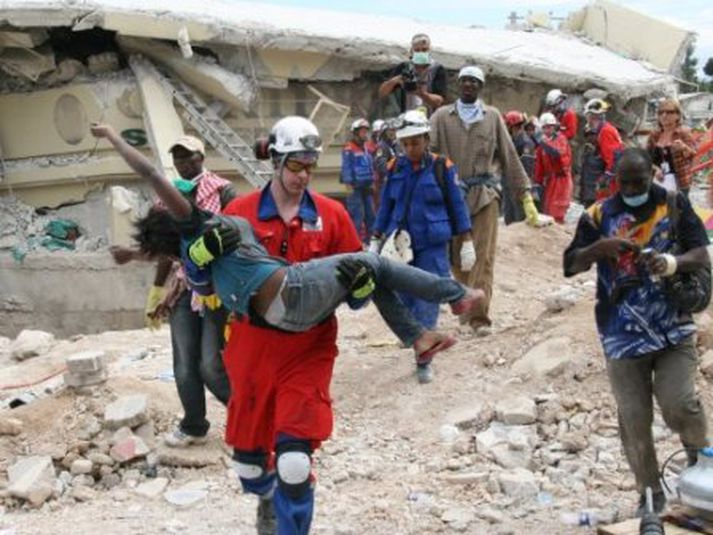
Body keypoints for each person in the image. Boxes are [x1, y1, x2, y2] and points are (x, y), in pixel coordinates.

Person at [563, 148, 710, 517]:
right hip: (621, 336)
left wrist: (671, 262)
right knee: (634, 418)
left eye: (639, 182)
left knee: (680, 403)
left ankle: (701, 468)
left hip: (672, 329)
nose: (631, 189)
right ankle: (649, 495)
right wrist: (600, 248)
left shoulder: (673, 204)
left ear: (653, 176)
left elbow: (702, 254)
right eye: (624, 183)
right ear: (614, 180)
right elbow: (570, 264)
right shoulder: (598, 215)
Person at [109, 133, 233, 448]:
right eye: (177, 157)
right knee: (183, 363)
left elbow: (234, 237)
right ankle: (194, 425)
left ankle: (249, 418)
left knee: (211, 364)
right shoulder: (166, 199)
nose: (183, 163)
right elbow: (166, 250)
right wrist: (156, 290)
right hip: (182, 287)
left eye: (189, 156)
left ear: (201, 158)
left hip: (216, 288)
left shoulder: (222, 191)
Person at [430, 65, 544, 335]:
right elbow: (429, 152)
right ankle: (465, 304)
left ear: (481, 87)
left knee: (484, 257)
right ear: (459, 85)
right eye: (465, 80)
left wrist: (525, 193)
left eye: (474, 81)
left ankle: (479, 318)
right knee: (458, 259)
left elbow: (509, 156)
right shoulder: (441, 117)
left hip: (485, 195)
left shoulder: (492, 117)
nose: (469, 85)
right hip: (451, 195)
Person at [371, 110, 473, 384]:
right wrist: (375, 237)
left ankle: (424, 358)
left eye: (415, 142)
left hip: (432, 245)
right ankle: (417, 338)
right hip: (401, 245)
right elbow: (386, 206)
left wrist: (467, 241)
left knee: (428, 299)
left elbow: (457, 206)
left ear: (427, 139)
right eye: (405, 144)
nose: (410, 148)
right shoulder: (395, 168)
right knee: (402, 297)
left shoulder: (443, 167)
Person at [378, 33, 447, 116]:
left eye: (424, 50)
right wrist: (395, 80)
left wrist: (420, 93)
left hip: (430, 118)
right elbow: (382, 93)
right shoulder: (404, 67)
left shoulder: (437, 69)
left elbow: (439, 101)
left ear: (429, 50)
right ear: (411, 51)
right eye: (417, 50)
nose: (421, 53)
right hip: (407, 116)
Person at [646, 98, 697, 198]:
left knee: (677, 210)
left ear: (677, 115)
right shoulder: (654, 134)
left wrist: (684, 147)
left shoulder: (684, 133)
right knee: (660, 210)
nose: (664, 115)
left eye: (669, 112)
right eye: (661, 112)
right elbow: (646, 158)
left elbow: (693, 155)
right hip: (659, 181)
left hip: (680, 182)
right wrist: (655, 170)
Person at [534, 113, 573, 223]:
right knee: (548, 210)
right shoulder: (542, 145)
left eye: (550, 127)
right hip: (551, 181)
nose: (547, 130)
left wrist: (544, 143)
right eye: (545, 127)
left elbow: (558, 154)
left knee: (558, 211)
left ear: (554, 127)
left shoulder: (561, 139)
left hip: (562, 180)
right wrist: (538, 183)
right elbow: (539, 166)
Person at [341, 118, 376, 244]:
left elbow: (370, 165)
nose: (365, 134)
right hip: (354, 188)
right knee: (357, 215)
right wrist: (348, 184)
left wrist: (372, 181)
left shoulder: (366, 148)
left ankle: (371, 242)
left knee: (370, 215)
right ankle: (354, 243)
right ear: (355, 133)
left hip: (366, 186)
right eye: (362, 131)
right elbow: (346, 168)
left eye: (366, 131)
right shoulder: (349, 149)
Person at [583, 98, 624, 201]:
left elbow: (614, 158)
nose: (587, 120)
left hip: (610, 182)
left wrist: (605, 178)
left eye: (588, 116)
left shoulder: (605, 132)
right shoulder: (603, 130)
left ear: (593, 116)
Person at [504, 110, 534, 223]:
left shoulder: (525, 143)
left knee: (519, 219)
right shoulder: (512, 140)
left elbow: (526, 168)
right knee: (509, 218)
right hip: (509, 184)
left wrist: (523, 189)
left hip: (518, 186)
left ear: (513, 126)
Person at [373, 118, 402, 209]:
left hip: (398, 182)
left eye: (395, 130)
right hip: (387, 184)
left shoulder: (396, 145)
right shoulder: (382, 146)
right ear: (384, 132)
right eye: (390, 130)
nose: (393, 133)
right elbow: (381, 166)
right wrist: (395, 164)